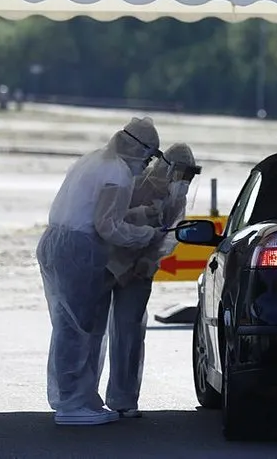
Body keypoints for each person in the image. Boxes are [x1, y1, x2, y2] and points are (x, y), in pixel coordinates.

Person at [36, 117, 164, 426]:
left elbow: (96, 209)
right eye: (148, 158)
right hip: (80, 251)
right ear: (139, 150)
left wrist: (135, 213)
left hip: (56, 243)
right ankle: (74, 405)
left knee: (68, 325)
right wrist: (144, 234)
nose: (147, 165)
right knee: (83, 329)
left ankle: (69, 398)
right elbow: (107, 226)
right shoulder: (118, 173)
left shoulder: (93, 160)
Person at [102, 142, 201, 419]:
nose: (185, 181)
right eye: (183, 173)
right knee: (94, 331)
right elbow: (110, 223)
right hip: (110, 264)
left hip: (140, 271)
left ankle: (123, 399)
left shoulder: (175, 197)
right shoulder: (134, 183)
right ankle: (83, 398)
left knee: (130, 333)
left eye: (190, 176)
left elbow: (167, 235)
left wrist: (145, 264)